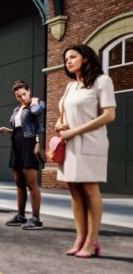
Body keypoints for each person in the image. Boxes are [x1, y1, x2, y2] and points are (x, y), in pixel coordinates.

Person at [55, 45, 116, 257]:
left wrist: (75, 131)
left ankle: (92, 241)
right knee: (74, 190)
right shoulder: (70, 87)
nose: (68, 61)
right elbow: (64, 115)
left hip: (91, 142)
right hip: (70, 144)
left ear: (86, 58)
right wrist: (59, 125)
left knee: (90, 188)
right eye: (65, 59)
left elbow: (109, 115)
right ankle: (80, 237)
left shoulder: (102, 81)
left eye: (73, 57)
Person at [0, 80, 45, 230]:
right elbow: (20, 128)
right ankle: (21, 215)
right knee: (19, 182)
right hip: (16, 145)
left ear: (29, 91)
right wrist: (9, 130)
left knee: (31, 183)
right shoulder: (16, 110)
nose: (22, 98)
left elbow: (36, 113)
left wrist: (34, 101)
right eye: (18, 96)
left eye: (24, 94)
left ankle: (36, 218)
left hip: (29, 144)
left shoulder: (38, 104)